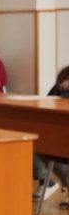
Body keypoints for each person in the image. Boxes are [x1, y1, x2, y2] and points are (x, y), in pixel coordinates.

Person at [34, 66, 69, 204]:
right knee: (35, 140)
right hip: (60, 129)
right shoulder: (64, 77)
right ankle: (46, 182)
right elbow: (48, 101)